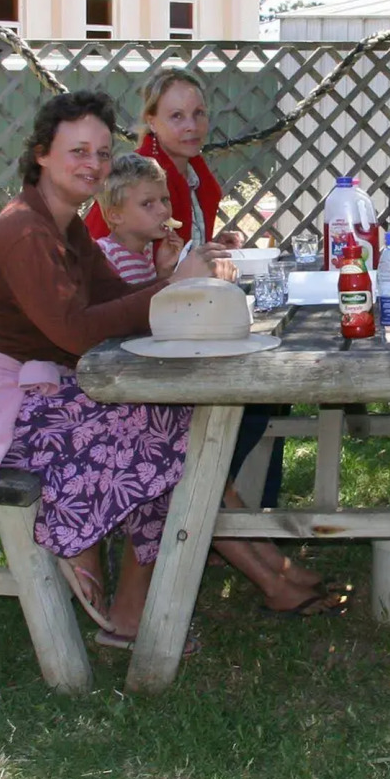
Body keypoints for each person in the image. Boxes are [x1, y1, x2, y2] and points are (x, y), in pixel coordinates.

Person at [0, 91, 232, 651]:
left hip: (34, 394)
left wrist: (163, 280)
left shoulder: (66, 228)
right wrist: (169, 289)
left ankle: (123, 600)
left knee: (172, 419)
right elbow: (75, 331)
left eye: (103, 153)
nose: (93, 164)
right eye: (78, 151)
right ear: (41, 154)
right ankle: (74, 539)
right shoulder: (25, 231)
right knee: (167, 428)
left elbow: (114, 303)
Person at [94, 153, 338, 618]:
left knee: (209, 466)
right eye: (148, 204)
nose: (163, 212)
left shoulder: (145, 257)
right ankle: (270, 578)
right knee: (194, 467)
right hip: (119, 400)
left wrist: (166, 273)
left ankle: (275, 563)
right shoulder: (107, 257)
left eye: (164, 200)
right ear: (114, 214)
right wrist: (172, 282)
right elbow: (125, 323)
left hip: (149, 394)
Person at [85, 68, 243, 250]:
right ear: (152, 122)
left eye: (198, 113)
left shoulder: (197, 175)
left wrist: (211, 245)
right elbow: (103, 255)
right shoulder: (135, 177)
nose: (191, 126)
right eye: (177, 116)